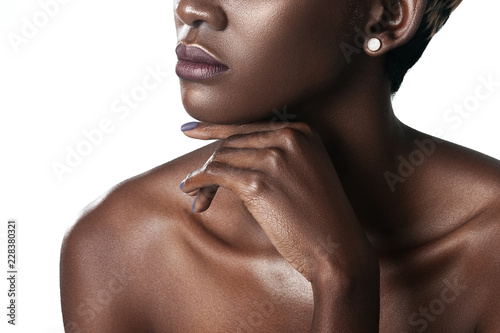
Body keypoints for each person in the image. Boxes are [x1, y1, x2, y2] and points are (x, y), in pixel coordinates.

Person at [60, 0, 500, 331]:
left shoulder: (491, 243)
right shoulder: (119, 244)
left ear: (388, 15)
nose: (191, 8)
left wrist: (342, 277)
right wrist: (342, 280)